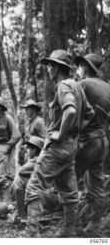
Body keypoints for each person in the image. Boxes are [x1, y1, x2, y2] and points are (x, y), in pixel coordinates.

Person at [23, 49, 94, 237]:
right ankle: (69, 229)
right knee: (69, 191)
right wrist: (75, 131)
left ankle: (31, 233)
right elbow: (90, 115)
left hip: (57, 146)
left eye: (50, 65)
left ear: (58, 68)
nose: (48, 69)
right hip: (71, 147)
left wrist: (60, 134)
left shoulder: (63, 86)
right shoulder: (77, 86)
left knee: (34, 186)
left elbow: (70, 111)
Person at [74, 53, 110, 237]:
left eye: (80, 67)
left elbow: (71, 111)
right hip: (102, 141)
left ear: (86, 68)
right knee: (97, 185)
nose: (77, 70)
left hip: (87, 141)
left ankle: (70, 224)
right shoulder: (108, 87)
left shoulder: (83, 84)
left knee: (69, 179)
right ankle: (95, 225)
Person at [0, 96, 21, 202]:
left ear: (0, 108)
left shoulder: (8, 119)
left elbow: (17, 135)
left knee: (1, 176)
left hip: (4, 146)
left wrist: (8, 146)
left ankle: (6, 201)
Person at [13, 136, 44, 222]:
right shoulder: (41, 159)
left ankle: (22, 215)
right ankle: (21, 211)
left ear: (34, 150)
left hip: (45, 195)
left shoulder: (36, 160)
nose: (26, 151)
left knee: (18, 180)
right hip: (44, 192)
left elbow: (21, 171)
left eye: (29, 149)